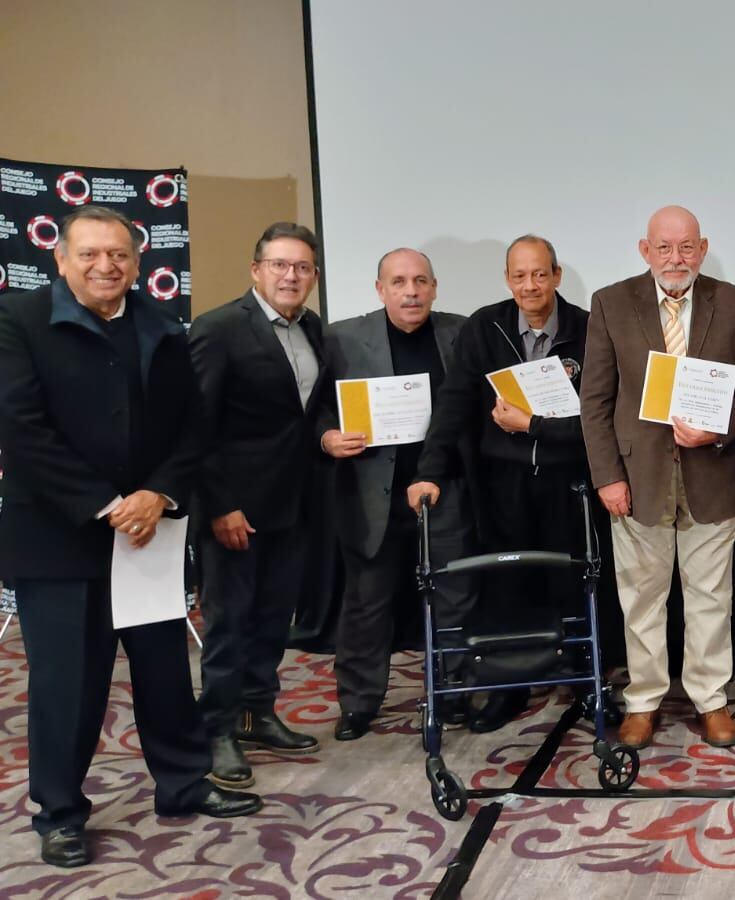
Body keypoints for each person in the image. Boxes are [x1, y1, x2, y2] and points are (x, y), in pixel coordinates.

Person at [0, 205, 262, 868]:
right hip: (57, 537)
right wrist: (106, 504)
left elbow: (192, 430)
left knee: (165, 668)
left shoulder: (162, 327)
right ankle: (58, 812)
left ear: (138, 263)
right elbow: (20, 430)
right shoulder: (18, 322)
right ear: (60, 260)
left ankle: (182, 783)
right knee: (68, 683)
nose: (105, 266)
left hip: (149, 531)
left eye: (118, 254)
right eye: (89, 254)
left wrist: (157, 495)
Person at [580, 205, 735, 750]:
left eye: (686, 246)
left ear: (703, 248)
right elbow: (594, 400)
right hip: (636, 482)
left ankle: (711, 700)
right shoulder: (611, 303)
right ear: (645, 250)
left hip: (712, 477)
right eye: (664, 247)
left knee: (711, 598)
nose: (675, 257)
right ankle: (642, 702)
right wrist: (606, 478)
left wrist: (715, 430)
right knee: (641, 598)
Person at [408, 234, 591, 733]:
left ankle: (583, 680)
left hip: (566, 479)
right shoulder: (483, 327)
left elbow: (599, 417)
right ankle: (509, 690)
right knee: (506, 586)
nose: (529, 285)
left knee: (571, 582)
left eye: (539, 274)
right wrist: (429, 471)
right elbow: (453, 404)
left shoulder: (588, 328)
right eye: (519, 275)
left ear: (556, 275)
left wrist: (534, 426)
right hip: (500, 482)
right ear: (507, 279)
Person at [189, 222, 329, 788]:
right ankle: (217, 729)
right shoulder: (218, 329)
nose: (291, 276)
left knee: (273, 619)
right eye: (279, 265)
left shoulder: (313, 329)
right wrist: (220, 505)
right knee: (229, 623)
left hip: (293, 504)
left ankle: (257, 712)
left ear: (314, 277)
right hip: (234, 510)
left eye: (301, 268)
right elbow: (195, 427)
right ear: (256, 270)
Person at [318, 248, 472, 740]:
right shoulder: (341, 337)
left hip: (444, 489)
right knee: (367, 603)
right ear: (379, 289)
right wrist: (326, 437)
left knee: (455, 595)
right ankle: (358, 703)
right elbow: (313, 407)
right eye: (400, 282)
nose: (411, 291)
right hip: (372, 495)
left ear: (434, 287)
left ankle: (454, 691)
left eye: (421, 281)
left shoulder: (460, 331)